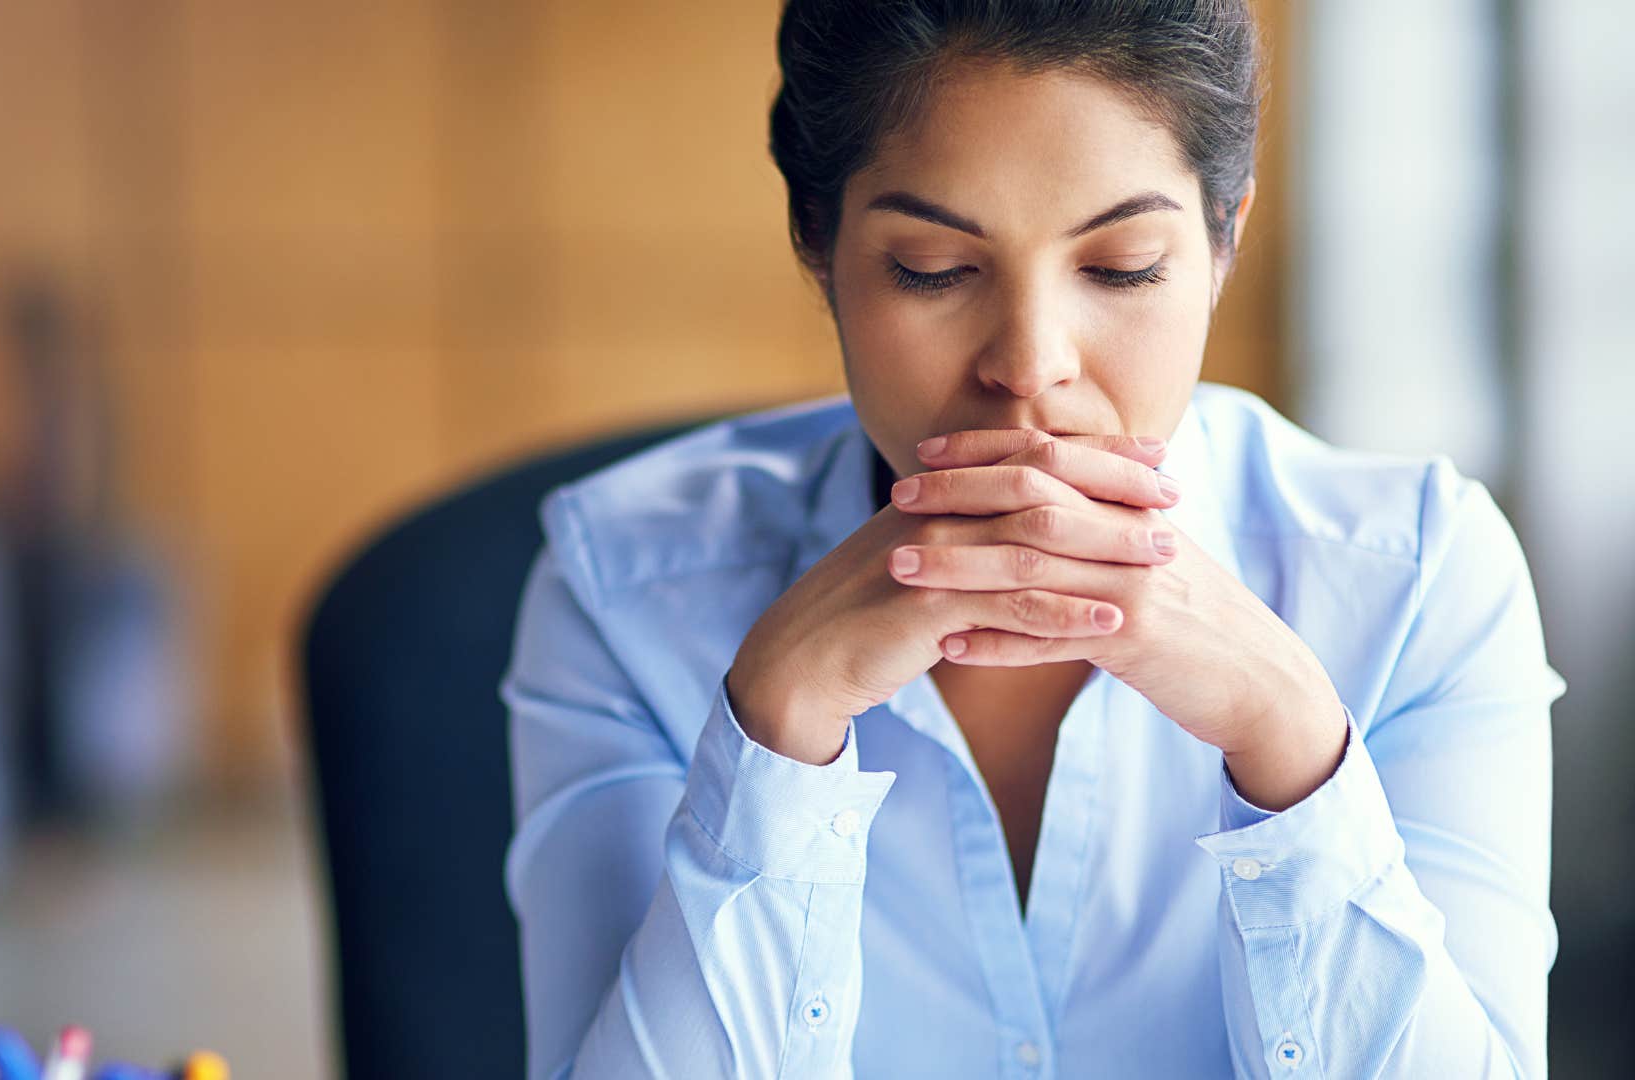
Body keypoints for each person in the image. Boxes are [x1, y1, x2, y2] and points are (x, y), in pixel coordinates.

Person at [500, 2, 1566, 1076]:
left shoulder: (1416, 579)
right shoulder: (621, 590)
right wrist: (774, 741)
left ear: (1223, 238)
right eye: (931, 268)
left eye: (1123, 266)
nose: (1029, 365)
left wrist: (1291, 745)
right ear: (817, 243)